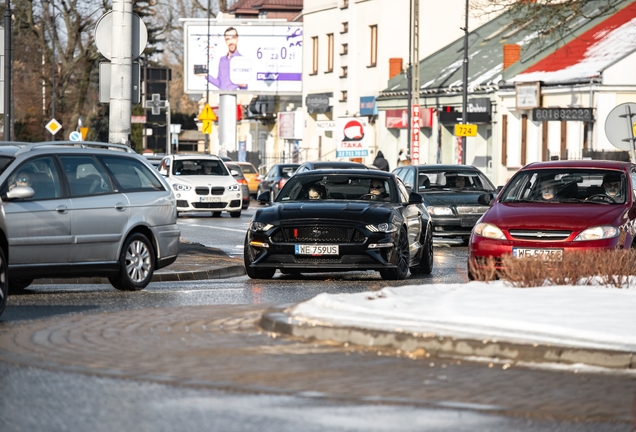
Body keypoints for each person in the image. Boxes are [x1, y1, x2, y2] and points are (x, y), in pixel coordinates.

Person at [197, 27, 247, 91]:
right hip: (222, 98)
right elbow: (220, 84)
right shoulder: (222, 60)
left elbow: (245, 86)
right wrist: (205, 75)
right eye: (228, 39)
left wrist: (243, 85)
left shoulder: (242, 60)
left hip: (236, 98)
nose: (231, 41)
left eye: (233, 38)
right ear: (225, 41)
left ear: (237, 39)